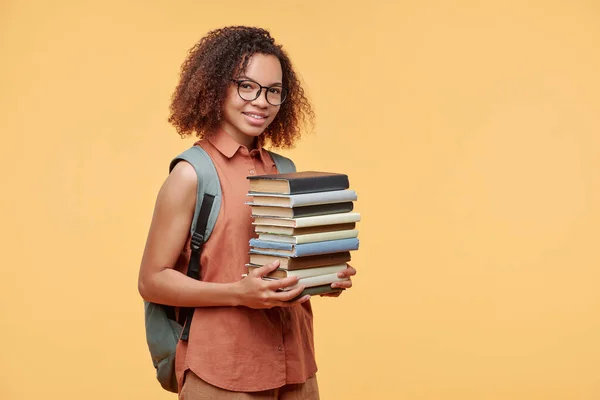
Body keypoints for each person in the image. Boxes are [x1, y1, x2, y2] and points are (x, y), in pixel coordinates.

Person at [138, 26, 357, 399]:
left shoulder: (286, 170)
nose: (261, 101)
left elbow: (284, 269)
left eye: (273, 91)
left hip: (297, 367)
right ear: (217, 86)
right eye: (247, 86)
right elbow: (151, 280)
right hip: (222, 370)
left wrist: (322, 277)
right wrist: (239, 293)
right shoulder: (192, 174)